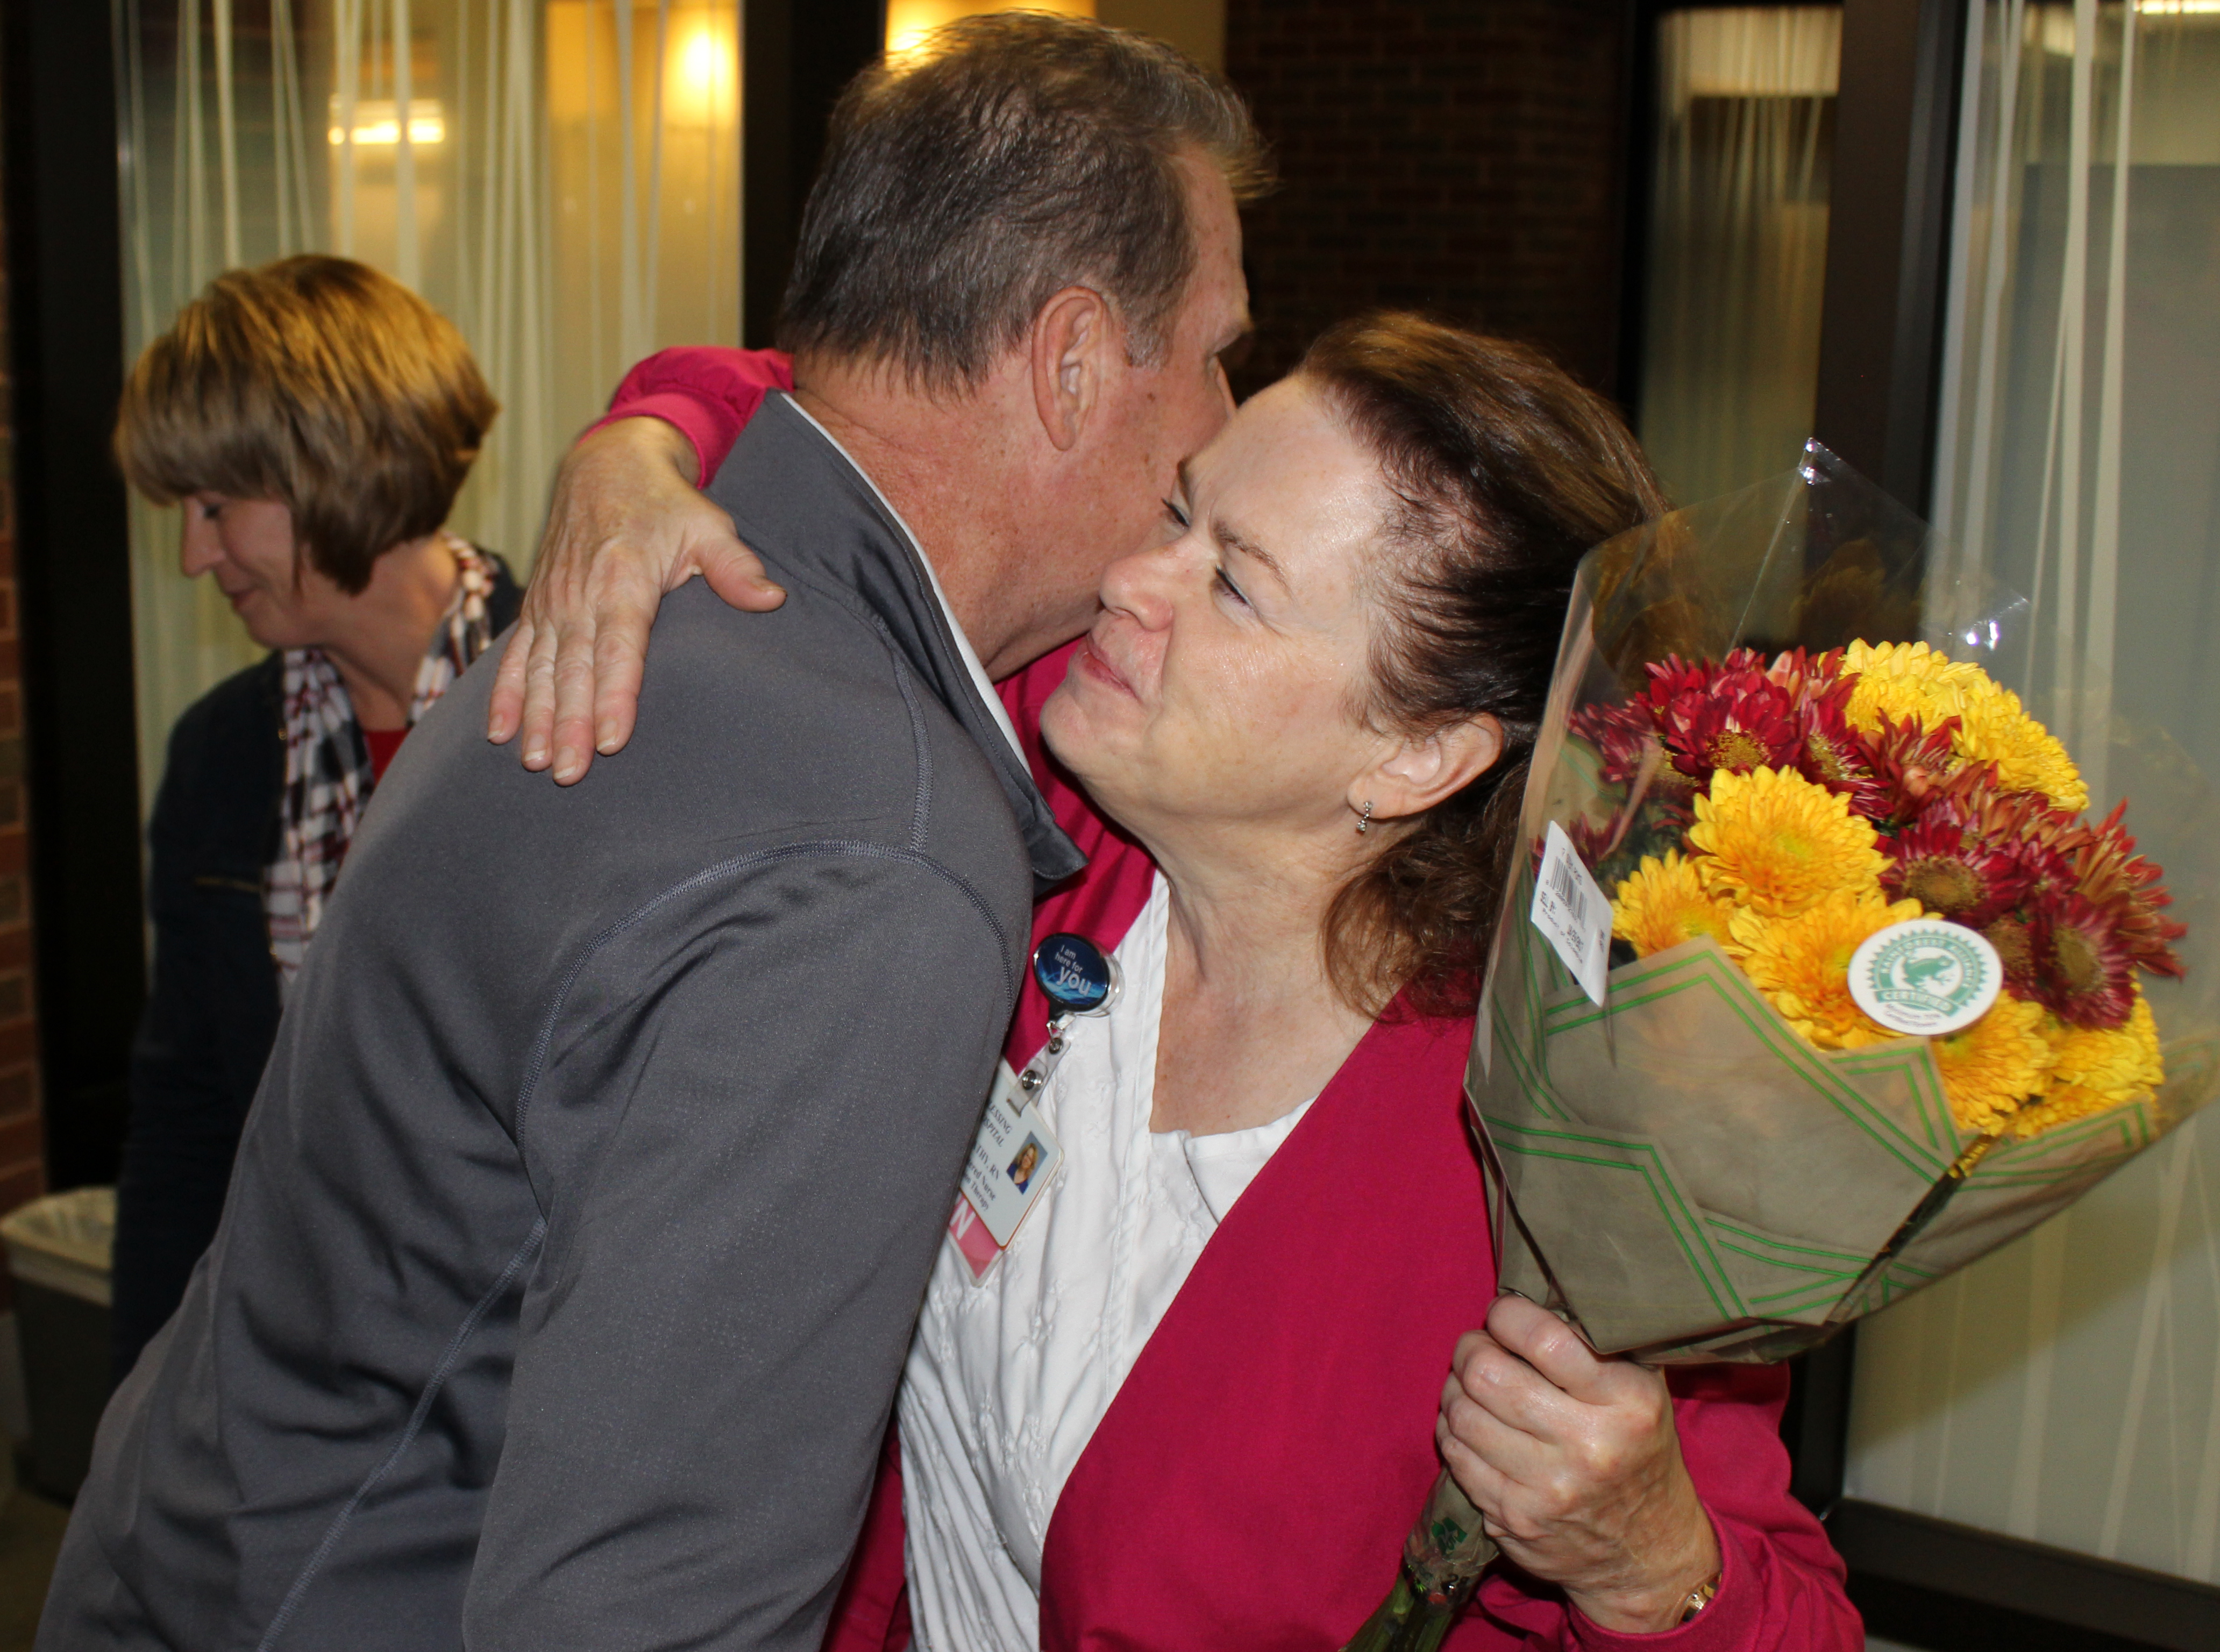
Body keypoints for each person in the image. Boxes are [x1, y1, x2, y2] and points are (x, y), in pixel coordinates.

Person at [39, 19, 1265, 1652]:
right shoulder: (878, 853)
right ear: (1066, 362)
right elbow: (647, 1604)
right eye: (1214, 354)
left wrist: (649, 425)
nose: (1222, 424)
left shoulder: (657, 592)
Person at [494, 316, 1865, 1648]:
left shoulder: (1560, 1172)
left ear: (1419, 757)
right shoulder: (1050, 823)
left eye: (1235, 584)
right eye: (1175, 514)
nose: (1129, 582)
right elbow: (855, 409)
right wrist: (637, 447)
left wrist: (1649, 1560)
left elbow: (1792, 1617)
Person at [106, 255, 518, 1380]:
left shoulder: (577, 700)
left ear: (329, 465)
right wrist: (140, 1420)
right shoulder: (223, 756)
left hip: (535, 1380)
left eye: (214, 508)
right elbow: (186, 1126)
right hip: (311, 1371)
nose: (195, 557)